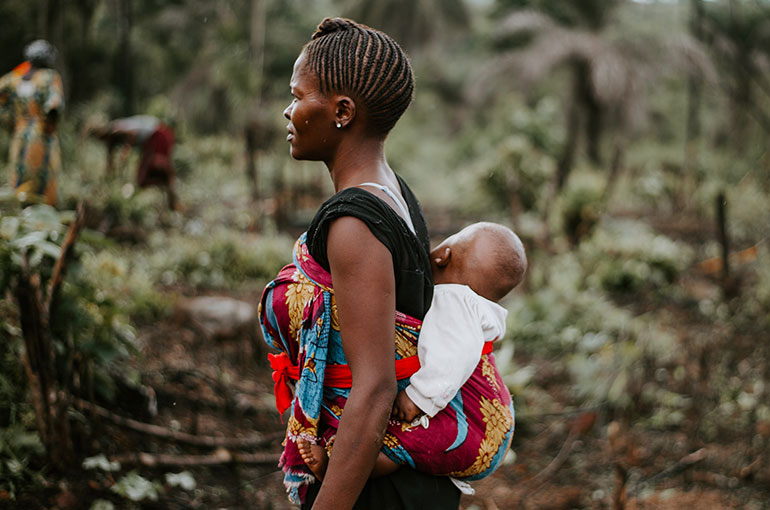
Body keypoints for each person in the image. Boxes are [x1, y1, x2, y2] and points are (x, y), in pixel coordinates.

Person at [259, 18, 512, 510]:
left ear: (342, 111)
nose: (288, 110)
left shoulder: (355, 224)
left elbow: (374, 390)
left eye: (298, 95)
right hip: (403, 483)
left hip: (379, 491)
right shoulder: (393, 192)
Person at [296, 222, 526, 486]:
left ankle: (336, 473)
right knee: (406, 441)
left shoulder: (455, 301)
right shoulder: (475, 307)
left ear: (443, 255)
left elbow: (452, 360)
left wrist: (418, 397)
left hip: (480, 430)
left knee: (404, 442)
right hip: (495, 424)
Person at [0, 40, 64, 206]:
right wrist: (48, 125)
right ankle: (43, 218)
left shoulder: (14, 78)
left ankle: (18, 213)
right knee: (43, 179)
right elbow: (54, 105)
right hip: (41, 137)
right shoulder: (50, 77)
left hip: (19, 135)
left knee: (18, 176)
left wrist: (9, 121)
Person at [90, 115, 178, 210]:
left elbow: (132, 133)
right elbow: (109, 163)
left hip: (158, 134)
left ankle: (170, 192)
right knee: (144, 179)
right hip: (153, 138)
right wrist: (107, 181)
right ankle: (167, 190)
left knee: (149, 172)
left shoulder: (115, 129)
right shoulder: (111, 141)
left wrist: (126, 150)